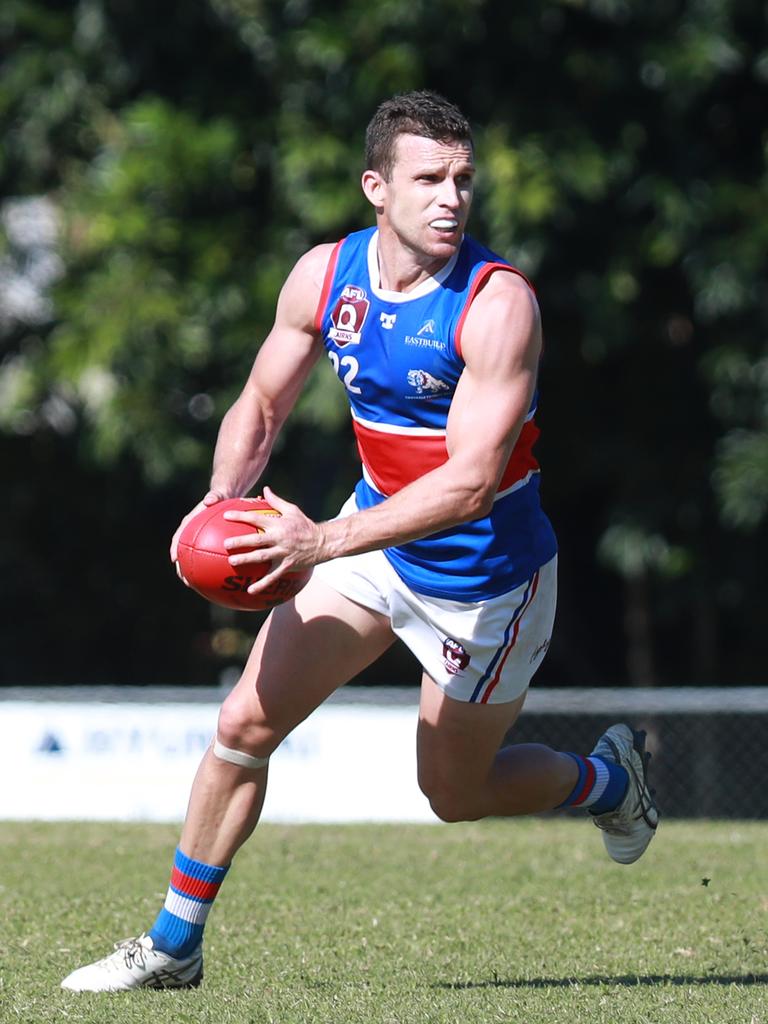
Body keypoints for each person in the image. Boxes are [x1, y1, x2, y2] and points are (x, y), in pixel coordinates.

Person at [61, 90, 659, 992]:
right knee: (242, 725)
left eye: (463, 179)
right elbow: (262, 404)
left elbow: (468, 484)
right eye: (429, 179)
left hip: (486, 583)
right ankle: (174, 944)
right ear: (377, 186)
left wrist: (324, 540)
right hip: (369, 543)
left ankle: (608, 783)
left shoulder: (499, 306)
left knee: (453, 796)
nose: (451, 197)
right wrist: (218, 500)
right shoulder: (324, 277)